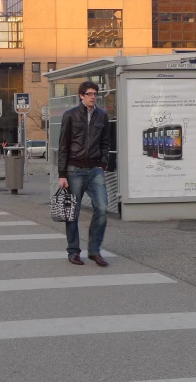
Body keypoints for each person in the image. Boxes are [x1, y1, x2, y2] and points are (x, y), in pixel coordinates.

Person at [58, 80, 111, 267]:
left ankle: (94, 251)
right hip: (74, 169)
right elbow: (63, 146)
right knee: (72, 213)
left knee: (103, 208)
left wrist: (103, 164)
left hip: (95, 169)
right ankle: (73, 252)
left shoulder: (102, 116)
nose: (93, 97)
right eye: (89, 94)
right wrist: (62, 174)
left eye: (95, 94)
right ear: (81, 96)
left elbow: (106, 143)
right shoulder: (70, 115)